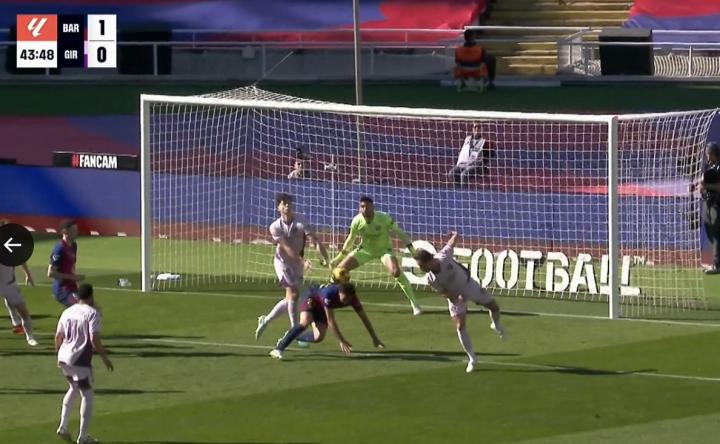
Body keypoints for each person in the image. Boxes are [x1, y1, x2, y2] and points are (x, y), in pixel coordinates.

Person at [413, 230, 505, 373]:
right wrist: (457, 298)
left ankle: (496, 325)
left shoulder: (444, 256)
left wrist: (455, 234)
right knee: (460, 326)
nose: (421, 268)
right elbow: (445, 293)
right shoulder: (431, 279)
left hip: (469, 286)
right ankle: (472, 358)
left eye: (421, 265)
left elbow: (451, 243)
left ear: (429, 261)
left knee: (494, 307)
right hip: (455, 297)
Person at [330, 196, 423, 316]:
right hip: (365, 251)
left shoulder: (384, 218)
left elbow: (400, 233)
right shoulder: (357, 221)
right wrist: (337, 258)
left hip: (384, 251)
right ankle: (329, 298)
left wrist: (413, 251)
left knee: (396, 272)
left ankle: (415, 304)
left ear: (373, 207)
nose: (364, 209)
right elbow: (350, 240)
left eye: (367, 207)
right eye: (362, 207)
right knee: (339, 271)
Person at [255, 193, 331, 340]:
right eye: (283, 203)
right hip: (282, 262)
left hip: (297, 263)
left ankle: (266, 320)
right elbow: (286, 248)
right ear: (278, 207)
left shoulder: (301, 221)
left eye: (289, 203)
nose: (287, 206)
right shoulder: (275, 227)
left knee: (290, 299)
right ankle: (295, 331)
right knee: (294, 294)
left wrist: (325, 259)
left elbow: (314, 240)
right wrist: (303, 261)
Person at [55, 283, 113, 444]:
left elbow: (58, 336)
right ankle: (83, 436)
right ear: (91, 296)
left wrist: (58, 354)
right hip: (79, 359)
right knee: (87, 395)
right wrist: (105, 358)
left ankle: (63, 426)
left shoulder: (67, 311)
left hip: (64, 356)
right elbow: (94, 338)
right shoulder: (92, 313)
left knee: (73, 387)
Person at [269, 282, 384, 359]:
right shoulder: (329, 294)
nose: (345, 301)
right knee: (305, 322)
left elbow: (364, 318)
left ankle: (293, 335)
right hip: (311, 298)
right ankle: (279, 349)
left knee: (318, 337)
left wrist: (374, 338)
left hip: (322, 307)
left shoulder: (353, 300)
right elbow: (331, 320)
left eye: (348, 299)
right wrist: (341, 340)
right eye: (343, 298)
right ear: (339, 293)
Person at [0, 221, 38, 346]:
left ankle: (30, 337)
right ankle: (16, 322)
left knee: (24, 312)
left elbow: (21, 259)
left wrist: (28, 275)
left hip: (9, 284)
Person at [48, 219, 84, 307]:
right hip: (62, 289)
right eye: (73, 230)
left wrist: (76, 282)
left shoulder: (74, 245)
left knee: (89, 307)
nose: (76, 232)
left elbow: (72, 266)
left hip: (71, 286)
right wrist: (72, 277)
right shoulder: (59, 249)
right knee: (79, 308)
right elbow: (51, 273)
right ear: (65, 231)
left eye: (76, 229)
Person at [700, 141, 720, 274]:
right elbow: (702, 182)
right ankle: (715, 263)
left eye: (708, 154)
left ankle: (717, 265)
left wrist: (706, 186)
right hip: (707, 203)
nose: (707, 156)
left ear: (713, 154)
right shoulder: (708, 166)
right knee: (710, 233)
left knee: (716, 234)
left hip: (716, 204)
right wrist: (699, 185)